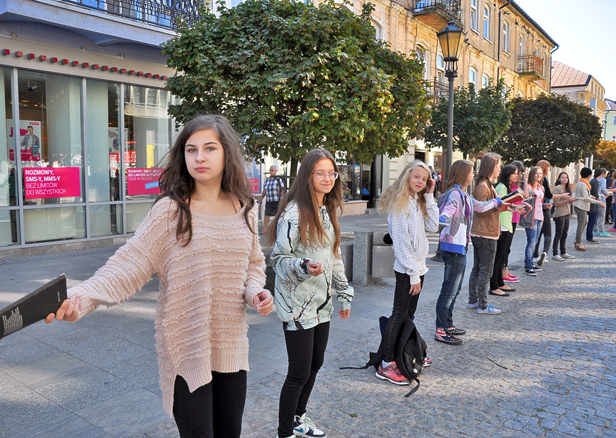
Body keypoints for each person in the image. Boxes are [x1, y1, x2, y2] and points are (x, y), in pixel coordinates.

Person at [45, 115, 274, 438]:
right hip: (186, 348)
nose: (200, 157)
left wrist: (255, 292)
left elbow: (253, 264)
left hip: (232, 346)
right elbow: (127, 265)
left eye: (210, 148)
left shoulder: (246, 208)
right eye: (191, 150)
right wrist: (80, 298)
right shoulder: (171, 211)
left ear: (227, 153)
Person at [268, 149, 353, 438]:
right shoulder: (294, 212)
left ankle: (297, 418)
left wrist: (344, 292)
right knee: (298, 372)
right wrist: (303, 266)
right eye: (320, 172)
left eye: (332, 172)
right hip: (297, 304)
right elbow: (278, 260)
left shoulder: (327, 210)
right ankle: (285, 432)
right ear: (307, 176)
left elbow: (334, 257)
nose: (328, 178)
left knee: (315, 364)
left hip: (321, 303)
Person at [435, 160, 518, 344]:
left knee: (454, 289)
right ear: (463, 173)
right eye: (471, 172)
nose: (473, 175)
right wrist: (442, 218)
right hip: (452, 247)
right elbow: (448, 210)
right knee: (449, 290)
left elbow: (479, 206)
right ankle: (441, 328)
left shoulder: (463, 194)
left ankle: (447, 324)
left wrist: (498, 201)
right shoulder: (455, 194)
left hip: (459, 246)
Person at [375, 160, 438, 381]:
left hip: (418, 268)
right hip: (407, 270)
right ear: (406, 178)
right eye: (416, 177)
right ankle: (386, 362)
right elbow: (401, 245)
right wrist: (412, 275)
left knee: (408, 315)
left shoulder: (415, 201)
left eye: (424, 178)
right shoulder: (400, 204)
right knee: (399, 314)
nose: (420, 181)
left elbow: (433, 226)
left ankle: (405, 352)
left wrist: (429, 196)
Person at [468, 152, 509, 314]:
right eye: (498, 165)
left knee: (478, 268)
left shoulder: (486, 184)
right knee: (485, 270)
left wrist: (512, 207)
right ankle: (482, 305)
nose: (500, 168)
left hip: (483, 232)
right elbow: (481, 209)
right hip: (485, 233)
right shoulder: (484, 186)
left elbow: (491, 206)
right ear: (491, 166)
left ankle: (473, 301)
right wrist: (497, 205)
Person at [490, 165, 521, 296]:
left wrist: (516, 207)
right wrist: (513, 207)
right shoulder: (501, 187)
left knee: (502, 256)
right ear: (507, 174)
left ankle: (500, 282)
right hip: (502, 224)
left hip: (506, 223)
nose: (517, 175)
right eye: (514, 173)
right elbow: (501, 204)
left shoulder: (506, 187)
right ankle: (494, 286)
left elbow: (506, 203)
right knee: (498, 257)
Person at [502, 161, 528, 284]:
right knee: (505, 247)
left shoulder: (515, 185)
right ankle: (503, 272)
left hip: (514, 217)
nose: (519, 175)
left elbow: (524, 196)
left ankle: (505, 271)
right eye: (517, 173)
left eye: (520, 173)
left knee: (507, 247)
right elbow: (506, 202)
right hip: (508, 218)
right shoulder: (507, 186)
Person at [573, 167, 604, 251]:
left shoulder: (582, 182)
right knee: (581, 224)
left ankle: (577, 239)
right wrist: (598, 202)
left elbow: (585, 195)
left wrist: (591, 196)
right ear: (589, 175)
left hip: (582, 206)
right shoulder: (583, 184)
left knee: (584, 223)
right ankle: (578, 242)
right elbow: (585, 197)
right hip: (581, 206)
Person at [552, 171, 576, 261]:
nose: (564, 179)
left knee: (565, 233)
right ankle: (555, 253)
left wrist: (572, 200)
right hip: (559, 214)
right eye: (562, 177)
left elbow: (568, 201)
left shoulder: (567, 188)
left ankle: (563, 252)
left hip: (567, 213)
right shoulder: (558, 189)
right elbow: (556, 203)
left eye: (566, 177)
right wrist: (567, 200)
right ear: (559, 179)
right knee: (559, 233)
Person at [259, 165, 285, 234]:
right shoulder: (267, 180)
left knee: (278, 215)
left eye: (272, 170)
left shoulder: (279, 179)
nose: (270, 171)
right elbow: (265, 190)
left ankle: (278, 229)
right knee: (267, 213)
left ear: (276, 171)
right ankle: (265, 229)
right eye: (270, 170)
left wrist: (282, 198)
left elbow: (282, 189)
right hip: (269, 200)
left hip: (277, 200)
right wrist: (261, 198)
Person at [593, 168, 611, 237]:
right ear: (603, 173)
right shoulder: (603, 180)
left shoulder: (594, 180)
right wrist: (608, 193)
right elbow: (603, 189)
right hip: (602, 198)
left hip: (595, 198)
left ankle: (595, 230)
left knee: (596, 215)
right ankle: (601, 230)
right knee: (602, 215)